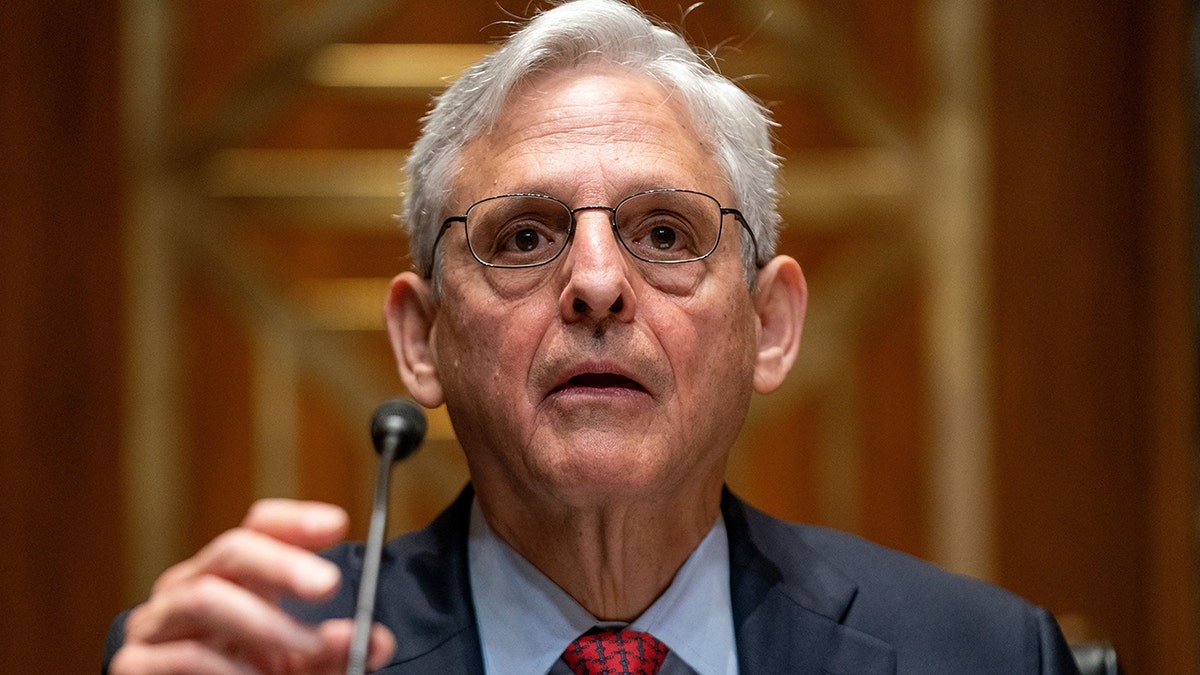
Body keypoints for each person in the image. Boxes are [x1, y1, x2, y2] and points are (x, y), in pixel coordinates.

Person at [104, 1, 1082, 673]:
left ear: (771, 324)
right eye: (524, 238)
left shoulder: (981, 655)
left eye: (665, 233)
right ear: (421, 338)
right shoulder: (257, 656)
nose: (598, 285)